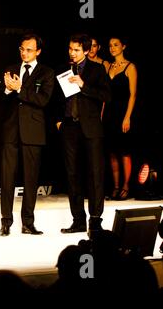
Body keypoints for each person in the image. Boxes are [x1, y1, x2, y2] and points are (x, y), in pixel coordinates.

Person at [0, 33, 54, 236]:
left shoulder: (46, 73)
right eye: (22, 49)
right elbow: (0, 102)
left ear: (38, 51)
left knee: (31, 179)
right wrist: (6, 90)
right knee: (7, 179)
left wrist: (19, 88)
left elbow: (43, 101)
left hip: (33, 132)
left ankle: (28, 222)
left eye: (29, 49)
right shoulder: (11, 70)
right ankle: (5, 222)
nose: (24, 53)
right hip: (11, 132)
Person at [56, 34, 111, 234]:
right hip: (69, 127)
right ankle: (78, 219)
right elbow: (57, 97)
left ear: (87, 51)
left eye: (77, 50)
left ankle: (95, 220)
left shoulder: (97, 69)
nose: (72, 53)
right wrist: (59, 121)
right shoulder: (63, 69)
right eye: (70, 49)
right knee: (72, 174)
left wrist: (83, 86)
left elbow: (106, 96)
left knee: (95, 173)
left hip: (91, 128)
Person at [103, 36, 138, 200]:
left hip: (123, 112)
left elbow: (132, 95)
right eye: (110, 45)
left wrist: (127, 117)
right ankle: (116, 186)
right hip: (109, 112)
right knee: (112, 153)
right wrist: (102, 114)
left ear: (124, 46)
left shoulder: (130, 67)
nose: (112, 48)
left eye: (116, 45)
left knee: (124, 151)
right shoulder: (108, 67)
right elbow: (105, 95)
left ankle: (126, 186)